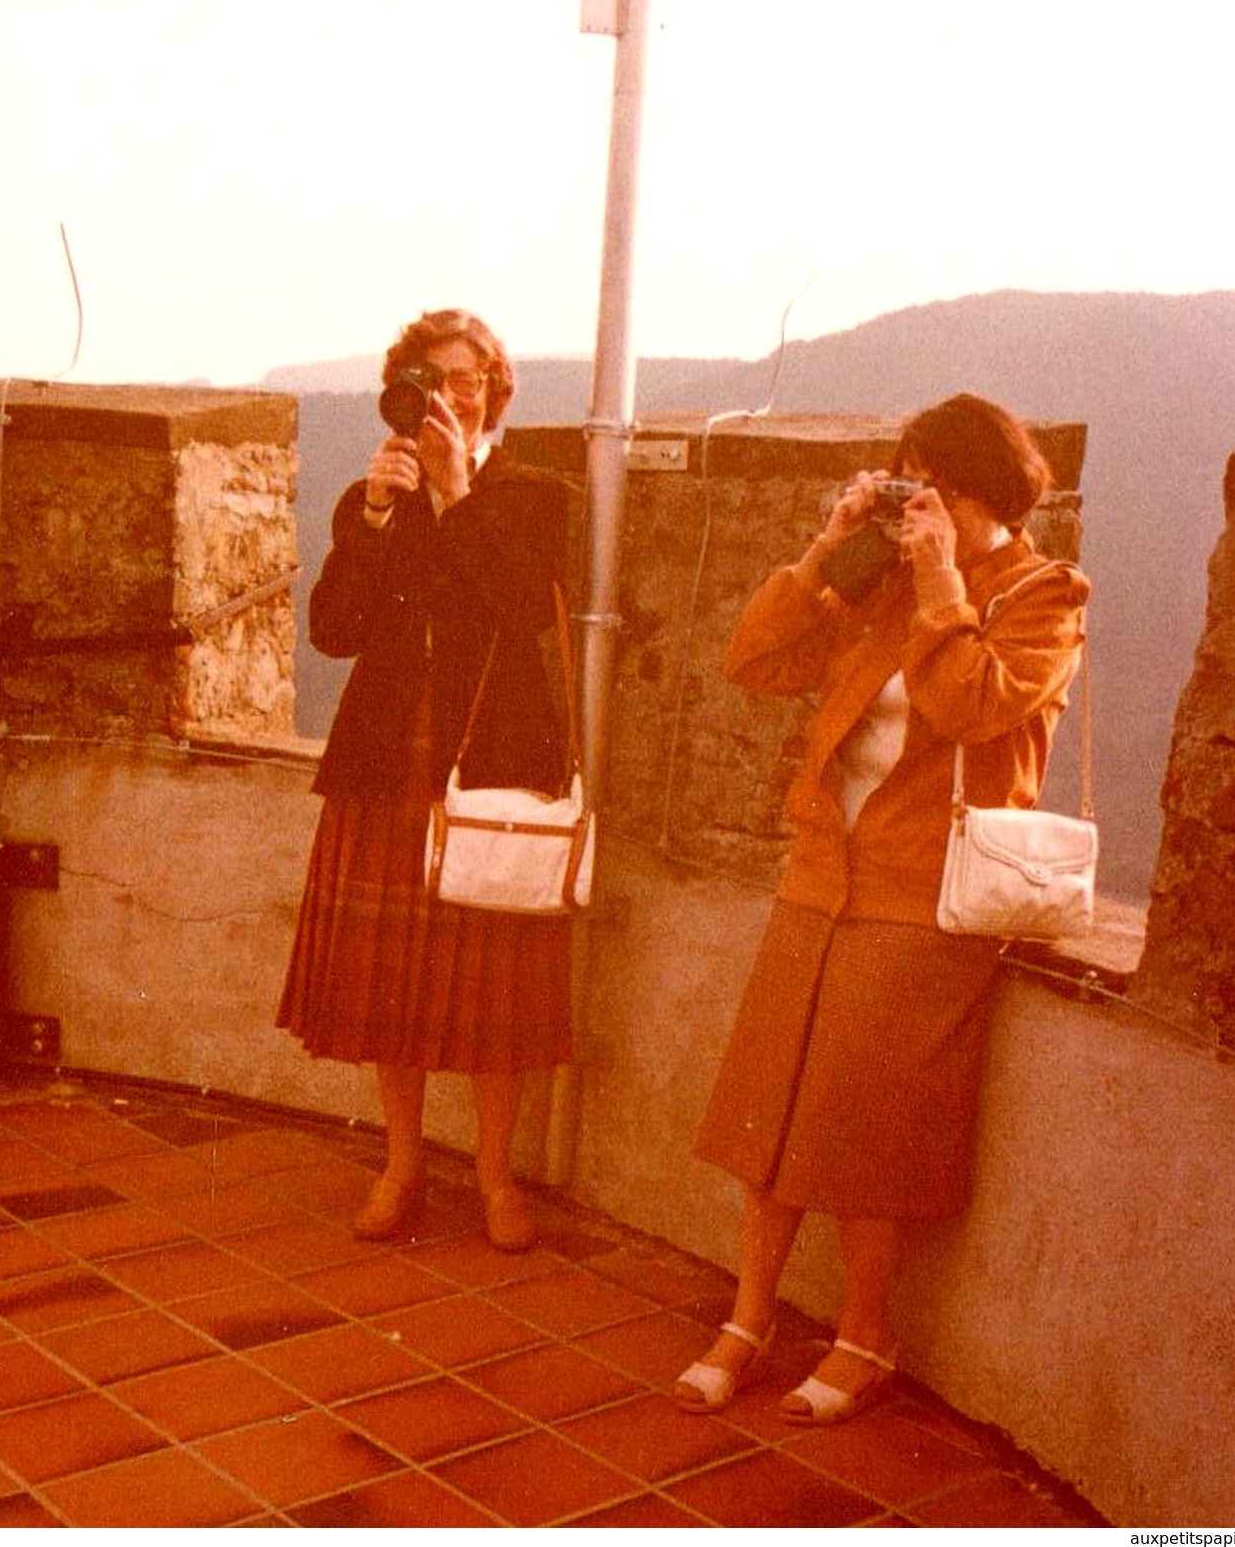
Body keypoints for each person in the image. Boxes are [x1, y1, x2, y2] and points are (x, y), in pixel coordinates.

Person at [674, 393, 1090, 1424]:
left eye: (935, 488)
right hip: (823, 869)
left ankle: (865, 1336)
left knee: (863, 1132)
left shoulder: (1046, 592)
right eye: (908, 485)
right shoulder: (883, 575)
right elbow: (756, 663)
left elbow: (971, 708)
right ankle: (748, 1314)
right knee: (768, 1108)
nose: (919, 509)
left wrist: (942, 581)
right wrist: (827, 555)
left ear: (984, 494)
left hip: (926, 891)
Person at [277, 308, 572, 1253]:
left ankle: (494, 1176)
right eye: (433, 380)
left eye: (471, 380)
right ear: (406, 392)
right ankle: (402, 1164)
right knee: (392, 991)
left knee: (491, 993)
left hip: (487, 769)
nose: (454, 396)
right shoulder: (378, 496)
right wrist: (370, 513)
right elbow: (333, 630)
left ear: (494, 393)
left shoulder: (532, 494)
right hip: (387, 765)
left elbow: (522, 604)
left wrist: (456, 496)